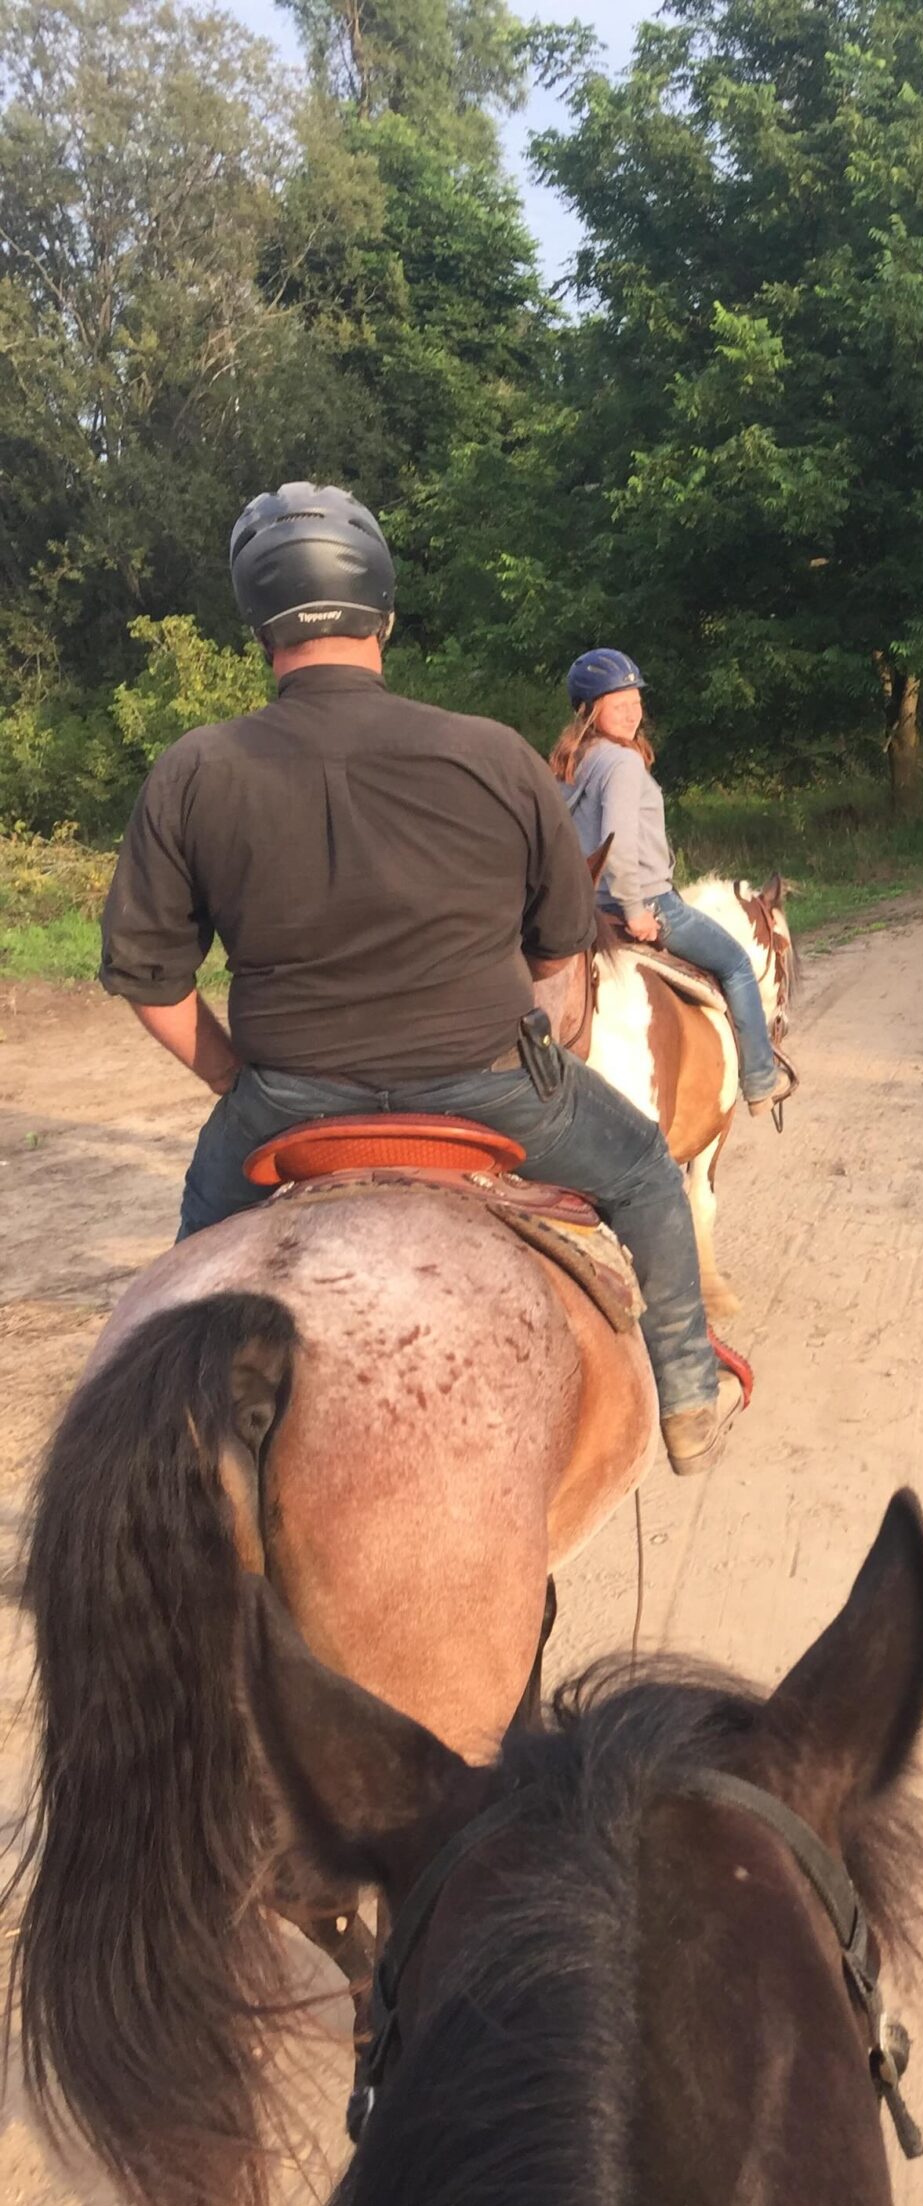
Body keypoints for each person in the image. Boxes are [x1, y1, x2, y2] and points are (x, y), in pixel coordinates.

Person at [97, 483, 742, 1475]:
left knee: (186, 1279)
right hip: (489, 1084)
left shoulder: (194, 770)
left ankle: (166, 1447)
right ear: (384, 617)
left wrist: (240, 1082)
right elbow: (562, 944)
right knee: (649, 1171)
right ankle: (691, 1393)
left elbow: (150, 980)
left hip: (284, 1102)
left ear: (261, 626)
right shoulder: (491, 753)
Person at [551, 651, 793, 1116]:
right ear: (587, 710)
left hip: (586, 909)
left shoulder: (572, 763)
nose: (631, 709)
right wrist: (636, 908)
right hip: (646, 902)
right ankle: (762, 1078)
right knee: (738, 964)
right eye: (615, 701)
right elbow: (616, 845)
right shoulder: (621, 764)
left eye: (634, 698)